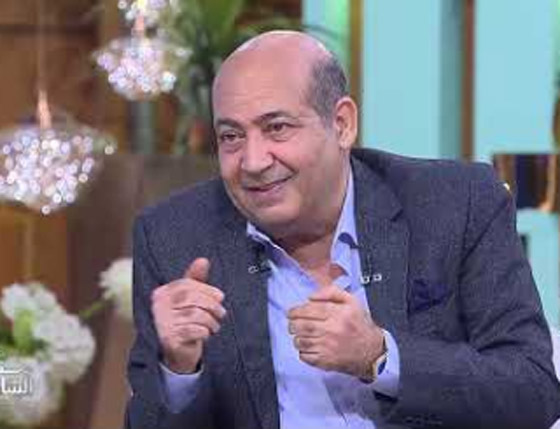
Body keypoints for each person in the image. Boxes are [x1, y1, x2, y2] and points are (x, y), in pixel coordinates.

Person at [124, 31, 560, 429]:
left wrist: (380, 356)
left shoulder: (453, 205)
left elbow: (533, 391)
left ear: (342, 124)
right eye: (231, 137)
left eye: (277, 128)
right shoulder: (174, 238)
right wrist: (179, 369)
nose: (253, 162)